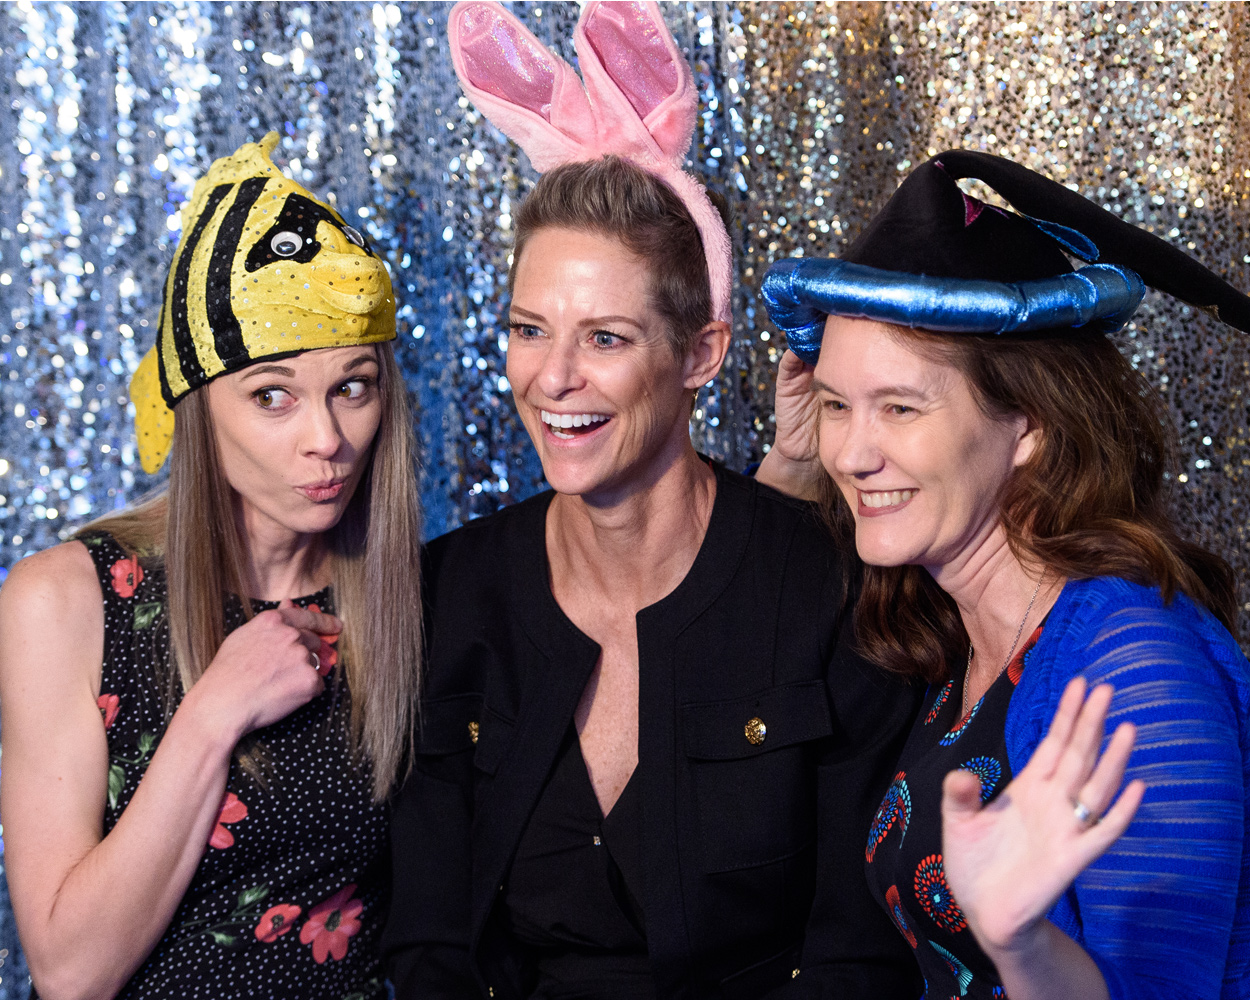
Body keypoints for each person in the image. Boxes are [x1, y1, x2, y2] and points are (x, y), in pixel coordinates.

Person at [382, 3, 922, 998]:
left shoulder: (830, 589)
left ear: (700, 354)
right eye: (528, 328)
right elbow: (428, 945)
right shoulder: (448, 593)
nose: (551, 378)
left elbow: (858, 952)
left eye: (606, 337)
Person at [760, 149, 1250, 999]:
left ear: (1028, 426)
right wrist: (788, 463)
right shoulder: (955, 630)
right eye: (837, 404)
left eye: (900, 408)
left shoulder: (1135, 670)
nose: (852, 452)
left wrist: (1019, 942)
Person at [0, 132, 423, 1000]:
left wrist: (784, 484)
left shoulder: (406, 597)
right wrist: (216, 709)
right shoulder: (64, 604)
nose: (327, 439)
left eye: (353, 385)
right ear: (198, 407)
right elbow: (70, 971)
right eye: (272, 395)